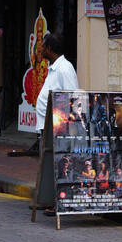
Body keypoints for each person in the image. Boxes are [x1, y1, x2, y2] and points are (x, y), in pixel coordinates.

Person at [27, 33, 79, 218]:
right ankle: (47, 198)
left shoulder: (65, 68)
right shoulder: (54, 68)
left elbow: (73, 97)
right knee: (48, 163)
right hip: (46, 125)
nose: (39, 50)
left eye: (42, 46)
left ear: (49, 49)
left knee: (60, 164)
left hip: (58, 126)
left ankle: (60, 202)